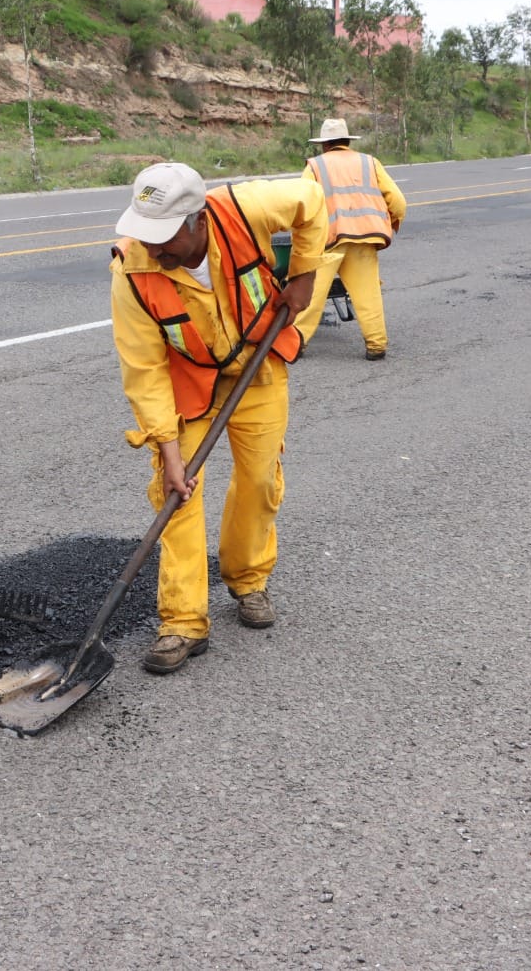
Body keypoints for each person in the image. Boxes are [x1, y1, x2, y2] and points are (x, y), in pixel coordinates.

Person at [109, 162, 336, 675]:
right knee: (177, 494)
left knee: (259, 481)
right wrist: (168, 452)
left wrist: (303, 275)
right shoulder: (132, 267)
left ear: (198, 219)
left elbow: (313, 202)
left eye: (166, 238)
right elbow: (142, 368)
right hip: (188, 381)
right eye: (147, 235)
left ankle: (247, 577)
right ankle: (183, 621)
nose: (156, 250)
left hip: (257, 366)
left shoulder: (243, 209)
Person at [301, 118, 408, 361]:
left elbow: (302, 202)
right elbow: (398, 201)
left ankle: (297, 344)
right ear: (347, 142)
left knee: (313, 293)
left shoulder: (316, 166)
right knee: (367, 293)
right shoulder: (369, 162)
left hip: (329, 240)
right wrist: (390, 223)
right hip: (364, 237)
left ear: (324, 145)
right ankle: (376, 345)